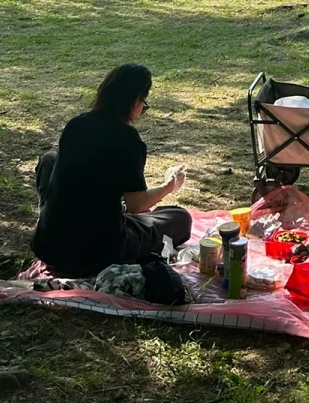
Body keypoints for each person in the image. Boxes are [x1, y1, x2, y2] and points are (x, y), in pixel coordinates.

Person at [31, 63, 192, 277]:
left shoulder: (75, 125)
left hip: (49, 246)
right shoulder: (127, 140)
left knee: (50, 159)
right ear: (135, 101)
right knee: (180, 218)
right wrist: (168, 186)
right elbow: (137, 205)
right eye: (143, 105)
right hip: (98, 252)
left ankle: (52, 217)